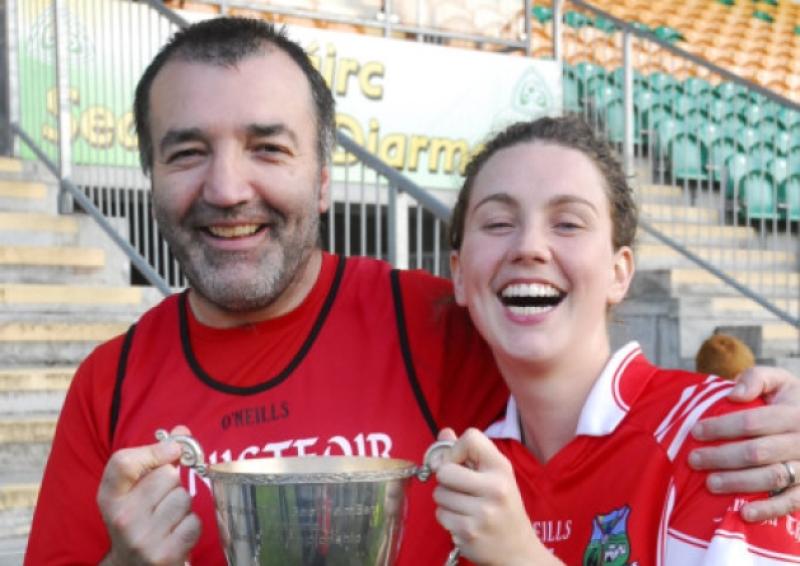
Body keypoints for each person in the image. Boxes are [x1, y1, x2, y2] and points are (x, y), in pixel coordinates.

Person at [23, 17, 800, 566]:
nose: (228, 188)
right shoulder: (109, 387)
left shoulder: (444, 325)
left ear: (324, 178)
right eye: (188, 151)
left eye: (268, 147)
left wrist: (775, 420)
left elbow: (582, 367)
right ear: (151, 178)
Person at [432, 116, 800, 564]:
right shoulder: (465, 465)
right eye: (497, 223)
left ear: (619, 273)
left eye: (567, 224)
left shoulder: (724, 436)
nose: (529, 246)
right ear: (458, 274)